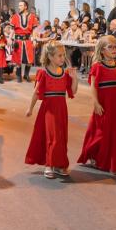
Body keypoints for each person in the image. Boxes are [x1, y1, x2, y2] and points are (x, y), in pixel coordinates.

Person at [77, 35, 116, 175]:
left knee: (115, 133)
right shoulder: (97, 66)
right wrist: (96, 102)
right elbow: (93, 86)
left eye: (115, 46)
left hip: (115, 105)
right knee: (100, 132)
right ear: (102, 50)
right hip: (102, 104)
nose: (114, 49)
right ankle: (94, 155)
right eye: (110, 47)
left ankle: (111, 161)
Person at [25, 41, 78, 179]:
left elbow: (73, 91)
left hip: (62, 110)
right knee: (52, 137)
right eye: (59, 56)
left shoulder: (64, 73)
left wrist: (74, 79)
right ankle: (49, 164)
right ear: (50, 56)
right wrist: (30, 108)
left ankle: (59, 165)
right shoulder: (43, 73)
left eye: (63, 55)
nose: (62, 58)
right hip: (48, 110)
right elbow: (36, 93)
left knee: (61, 138)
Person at [10, 0, 39, 83]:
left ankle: (26, 75)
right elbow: (12, 30)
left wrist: (34, 40)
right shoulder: (15, 16)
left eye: (21, 5)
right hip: (18, 41)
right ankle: (19, 76)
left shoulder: (33, 17)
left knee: (29, 60)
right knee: (18, 60)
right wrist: (9, 39)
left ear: (26, 7)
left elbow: (34, 30)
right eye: (19, 5)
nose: (19, 7)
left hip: (28, 41)